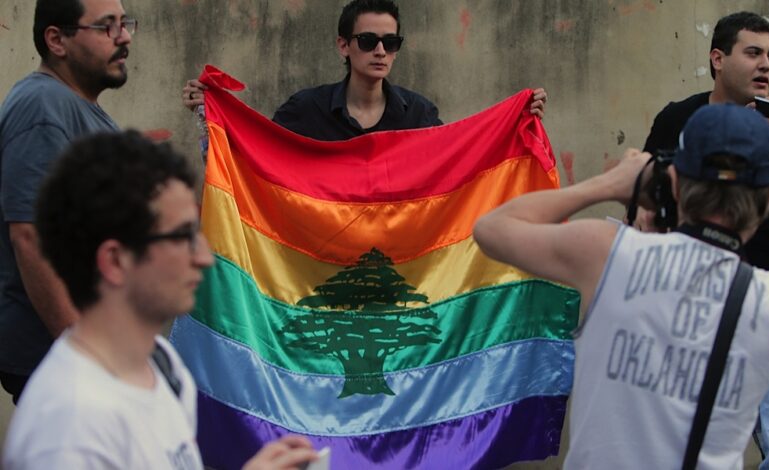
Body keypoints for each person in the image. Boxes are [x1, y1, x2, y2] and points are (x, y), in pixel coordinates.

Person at [473, 104, 769, 469]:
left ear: (675, 183)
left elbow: (491, 229)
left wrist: (613, 183)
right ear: (768, 196)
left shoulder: (609, 254)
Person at [2, 130, 319, 470]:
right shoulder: (68, 431)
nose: (204, 257)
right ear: (115, 261)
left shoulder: (160, 361)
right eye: (183, 236)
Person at [0, 0, 133, 404]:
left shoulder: (80, 109)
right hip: (64, 362)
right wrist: (83, 355)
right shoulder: (43, 107)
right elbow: (30, 237)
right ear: (56, 40)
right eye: (106, 26)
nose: (125, 37)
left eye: (125, 23)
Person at [182, 0, 547, 141]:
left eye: (391, 42)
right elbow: (255, 161)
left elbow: (457, 164)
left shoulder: (419, 116)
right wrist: (208, 113)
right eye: (369, 40)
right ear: (344, 45)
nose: (380, 51)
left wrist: (517, 123)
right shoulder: (304, 110)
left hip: (396, 261)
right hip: (318, 261)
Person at [642, 11, 769, 272]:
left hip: (766, 284)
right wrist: (641, 208)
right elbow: (642, 189)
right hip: (683, 275)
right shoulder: (677, 117)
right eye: (753, 53)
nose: (766, 65)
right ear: (718, 59)